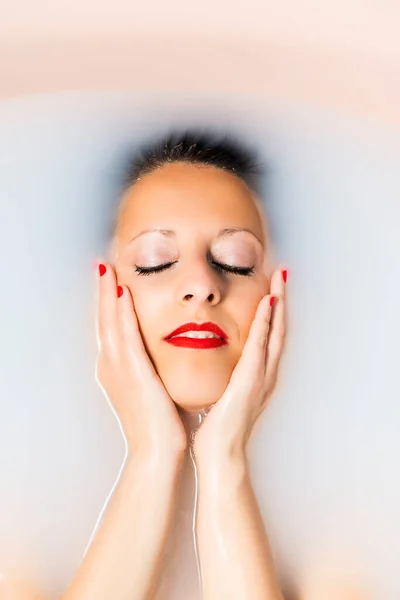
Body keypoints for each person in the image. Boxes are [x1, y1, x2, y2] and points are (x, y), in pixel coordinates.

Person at [7, 129, 288, 600]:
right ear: (101, 293)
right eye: (157, 262)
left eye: (235, 261)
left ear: (275, 295)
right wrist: (153, 453)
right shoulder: (16, 532)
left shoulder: (342, 542)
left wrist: (225, 460)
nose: (201, 285)